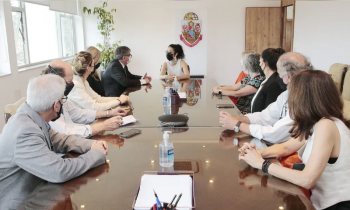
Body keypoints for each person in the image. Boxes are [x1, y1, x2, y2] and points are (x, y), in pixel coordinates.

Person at [239, 70, 350, 210]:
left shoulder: (326, 125)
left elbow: (307, 180)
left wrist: (262, 164)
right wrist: (255, 152)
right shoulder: (317, 121)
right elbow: (286, 147)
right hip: (320, 203)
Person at [0, 74, 107, 184]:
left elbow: (59, 139)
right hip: (25, 199)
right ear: (56, 105)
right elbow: (59, 172)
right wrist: (95, 154)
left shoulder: (31, 117)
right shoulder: (25, 131)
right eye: (62, 100)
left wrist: (92, 145)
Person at [219, 52, 312, 144]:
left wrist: (237, 124)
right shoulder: (287, 94)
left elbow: (274, 134)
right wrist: (238, 119)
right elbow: (265, 116)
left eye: (280, 75)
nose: (281, 80)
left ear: (288, 77)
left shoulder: (304, 100)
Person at [42, 60, 126, 138]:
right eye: (69, 81)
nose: (72, 84)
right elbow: (65, 132)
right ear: (57, 79)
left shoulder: (59, 96)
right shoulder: (46, 103)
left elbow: (77, 113)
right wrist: (103, 126)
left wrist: (109, 113)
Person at [251, 48, 286, 113]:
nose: (259, 65)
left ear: (264, 64)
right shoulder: (268, 80)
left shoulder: (274, 84)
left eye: (260, 62)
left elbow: (269, 112)